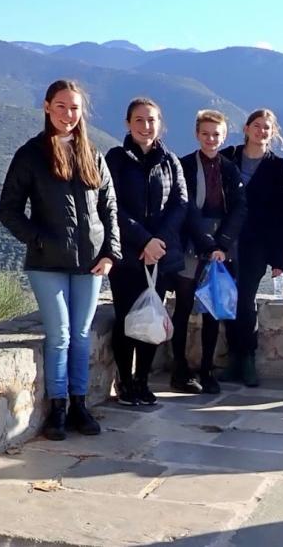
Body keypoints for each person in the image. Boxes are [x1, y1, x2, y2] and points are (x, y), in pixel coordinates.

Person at [0, 80, 121, 440]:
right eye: (62, 106)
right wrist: (38, 239)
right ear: (47, 107)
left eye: (75, 108)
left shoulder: (91, 153)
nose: (69, 114)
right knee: (60, 335)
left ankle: (80, 405)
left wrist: (110, 252)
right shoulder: (31, 154)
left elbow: (109, 206)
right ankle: (58, 409)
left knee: (81, 335)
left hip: (92, 262)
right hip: (46, 262)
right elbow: (9, 210)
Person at [105, 97, 188, 406]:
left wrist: (158, 242)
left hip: (160, 256)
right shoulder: (115, 159)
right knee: (127, 319)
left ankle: (142, 381)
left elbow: (180, 203)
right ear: (128, 124)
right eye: (139, 120)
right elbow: (112, 206)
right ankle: (125, 382)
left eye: (151, 119)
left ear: (160, 123)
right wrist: (143, 241)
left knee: (152, 315)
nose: (145, 126)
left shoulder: (170, 160)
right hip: (127, 255)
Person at [170, 110, 246, 395]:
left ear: (224, 136)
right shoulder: (185, 166)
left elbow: (240, 207)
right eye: (206, 133)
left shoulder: (230, 168)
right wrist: (205, 242)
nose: (211, 139)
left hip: (220, 246)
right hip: (191, 241)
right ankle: (179, 368)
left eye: (216, 134)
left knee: (213, 310)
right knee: (184, 305)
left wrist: (222, 243)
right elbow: (184, 205)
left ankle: (206, 369)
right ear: (197, 134)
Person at [220, 109, 283, 387]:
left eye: (267, 128)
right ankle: (232, 359)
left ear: (272, 134)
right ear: (246, 128)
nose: (262, 131)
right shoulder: (228, 157)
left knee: (245, 300)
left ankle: (246, 357)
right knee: (226, 299)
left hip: (257, 244)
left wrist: (278, 257)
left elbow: (281, 215)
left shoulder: (276, 167)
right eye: (257, 126)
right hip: (225, 242)